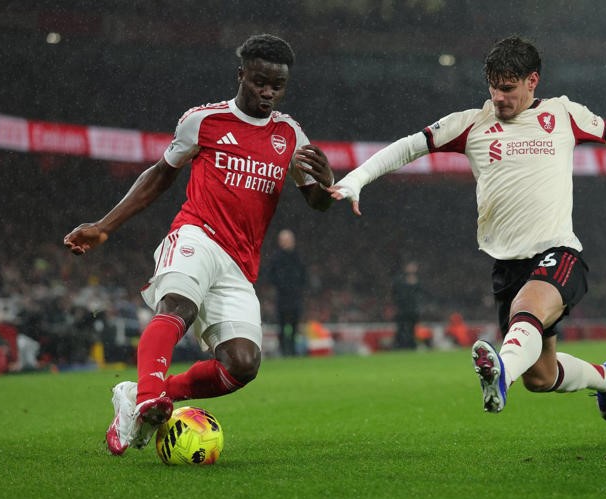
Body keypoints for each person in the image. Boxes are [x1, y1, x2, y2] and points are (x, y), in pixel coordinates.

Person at [330, 35, 606, 420]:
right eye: (493, 88)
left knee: (526, 309)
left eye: (508, 88)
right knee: (542, 377)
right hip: (507, 265)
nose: (499, 97)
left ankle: (501, 376)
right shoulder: (470, 124)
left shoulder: (563, 115)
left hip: (558, 252)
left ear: (533, 81)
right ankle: (605, 378)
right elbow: (408, 146)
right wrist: (356, 179)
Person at [64, 34, 335, 455]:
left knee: (242, 365)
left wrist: (327, 182)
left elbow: (317, 202)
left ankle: (138, 395)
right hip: (197, 234)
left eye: (277, 86)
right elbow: (160, 174)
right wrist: (105, 226)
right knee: (178, 307)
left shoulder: (290, 134)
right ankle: (149, 397)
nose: (267, 92)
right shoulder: (203, 120)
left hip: (240, 263)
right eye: (259, 82)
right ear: (241, 75)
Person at [266, 228, 307, 356]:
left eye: (289, 240)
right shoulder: (276, 259)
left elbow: (304, 276)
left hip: (295, 298)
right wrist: (283, 284)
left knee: (295, 325)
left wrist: (296, 286)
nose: (287, 242)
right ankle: (284, 351)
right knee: (282, 326)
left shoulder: (298, 257)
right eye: (284, 240)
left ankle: (293, 351)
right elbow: (270, 276)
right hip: (282, 298)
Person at [392, 260, 422, 349]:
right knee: (401, 328)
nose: (412, 269)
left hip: (413, 310)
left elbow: (421, 295)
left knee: (412, 329)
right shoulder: (400, 280)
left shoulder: (418, 281)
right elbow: (396, 293)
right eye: (410, 266)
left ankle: (411, 345)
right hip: (402, 309)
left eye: (413, 266)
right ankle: (400, 346)